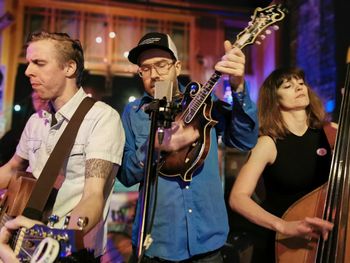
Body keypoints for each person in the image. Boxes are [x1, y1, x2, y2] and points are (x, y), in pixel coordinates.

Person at [117, 32, 258, 262]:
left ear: (177, 67)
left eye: (162, 65)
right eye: (145, 68)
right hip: (157, 244)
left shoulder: (204, 103)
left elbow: (244, 140)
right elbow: (126, 174)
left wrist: (238, 86)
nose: (154, 75)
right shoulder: (133, 115)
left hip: (209, 242)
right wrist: (154, 147)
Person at [0, 31, 125, 261]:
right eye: (28, 63)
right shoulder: (37, 120)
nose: (28, 71)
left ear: (69, 68)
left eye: (38, 63)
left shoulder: (102, 118)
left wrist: (59, 237)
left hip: (68, 253)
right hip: (21, 246)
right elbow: (11, 169)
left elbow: (93, 196)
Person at [229, 67, 334, 262]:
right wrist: (283, 226)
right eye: (288, 85)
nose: (298, 87)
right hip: (283, 242)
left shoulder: (330, 133)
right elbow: (238, 198)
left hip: (327, 236)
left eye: (301, 83)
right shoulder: (268, 143)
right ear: (274, 99)